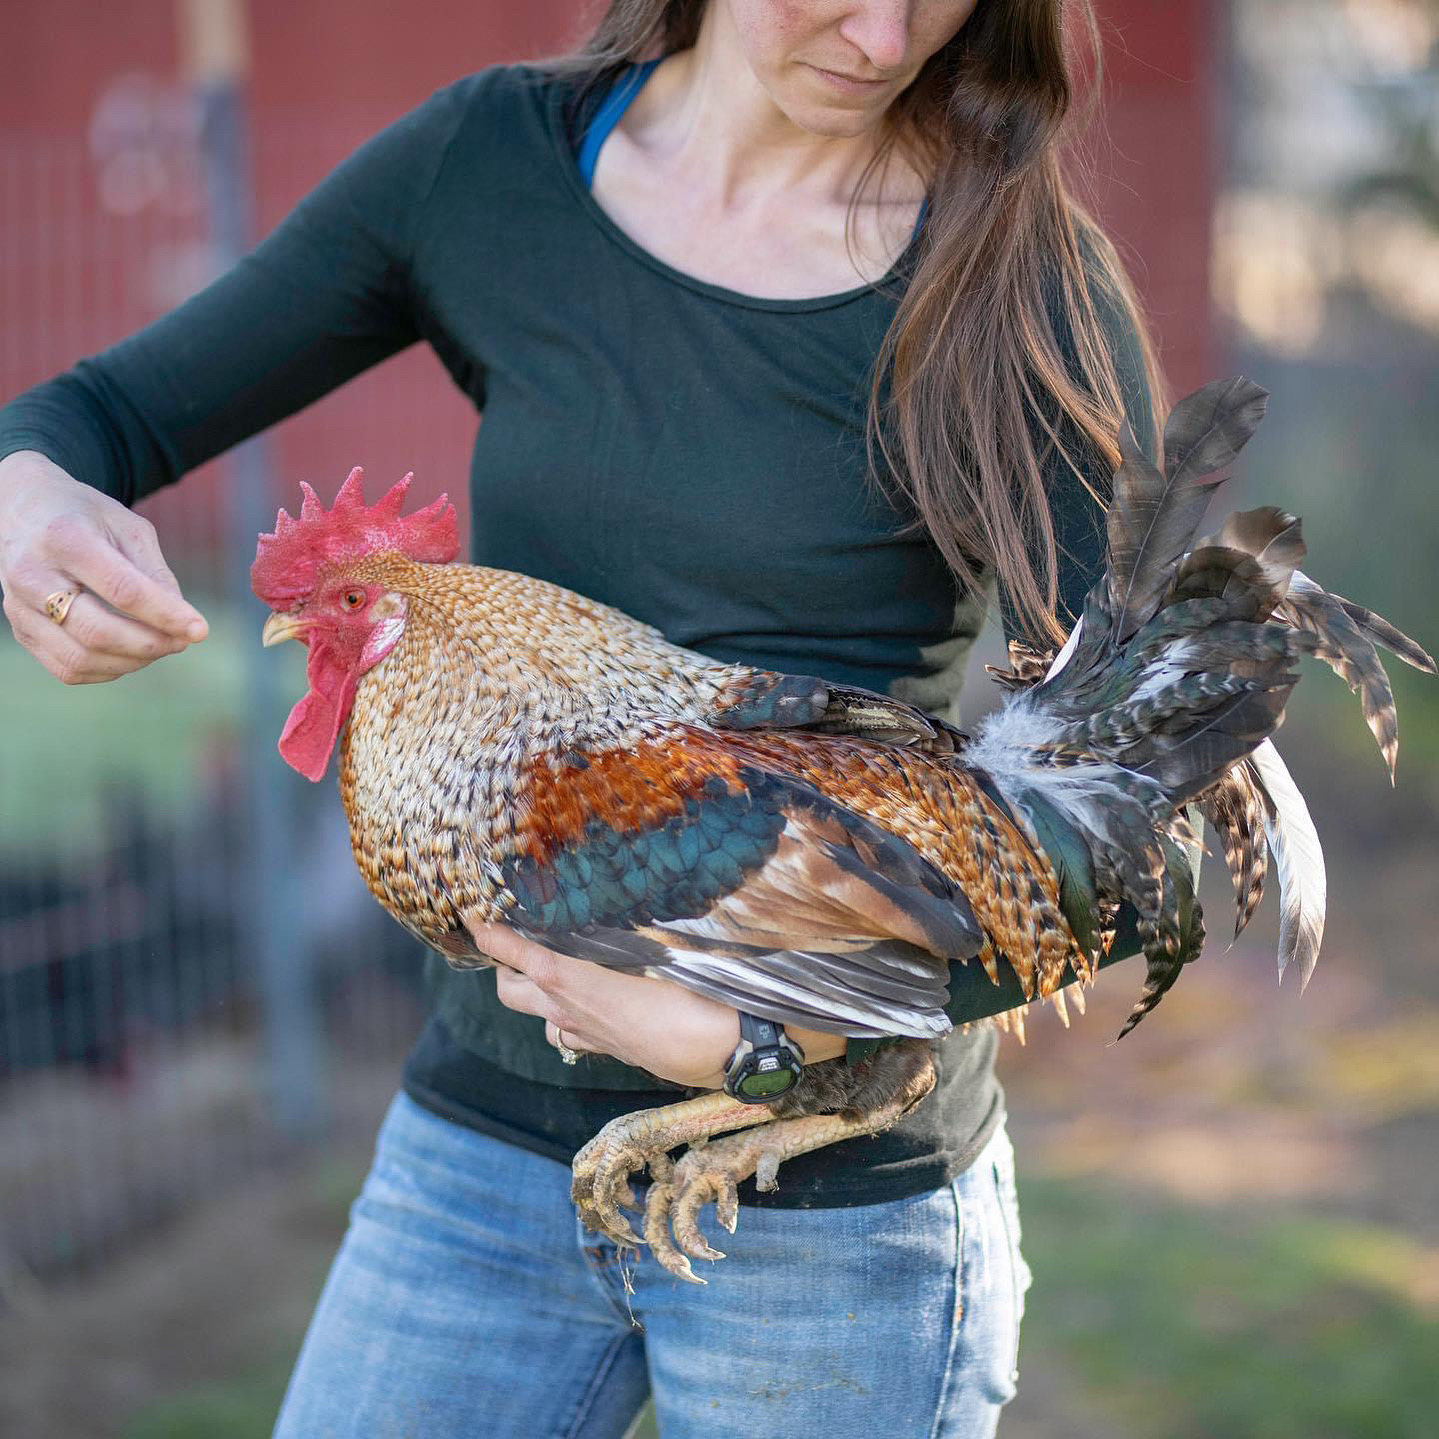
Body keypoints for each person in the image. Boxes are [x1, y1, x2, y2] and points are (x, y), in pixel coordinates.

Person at [0, 1, 1166, 1434]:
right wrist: (30, 492)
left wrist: (750, 1046)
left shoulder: (1019, 283)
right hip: (479, 1152)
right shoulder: (499, 165)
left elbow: (1129, 811)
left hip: (837, 1217)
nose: (881, 36)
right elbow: (102, 410)